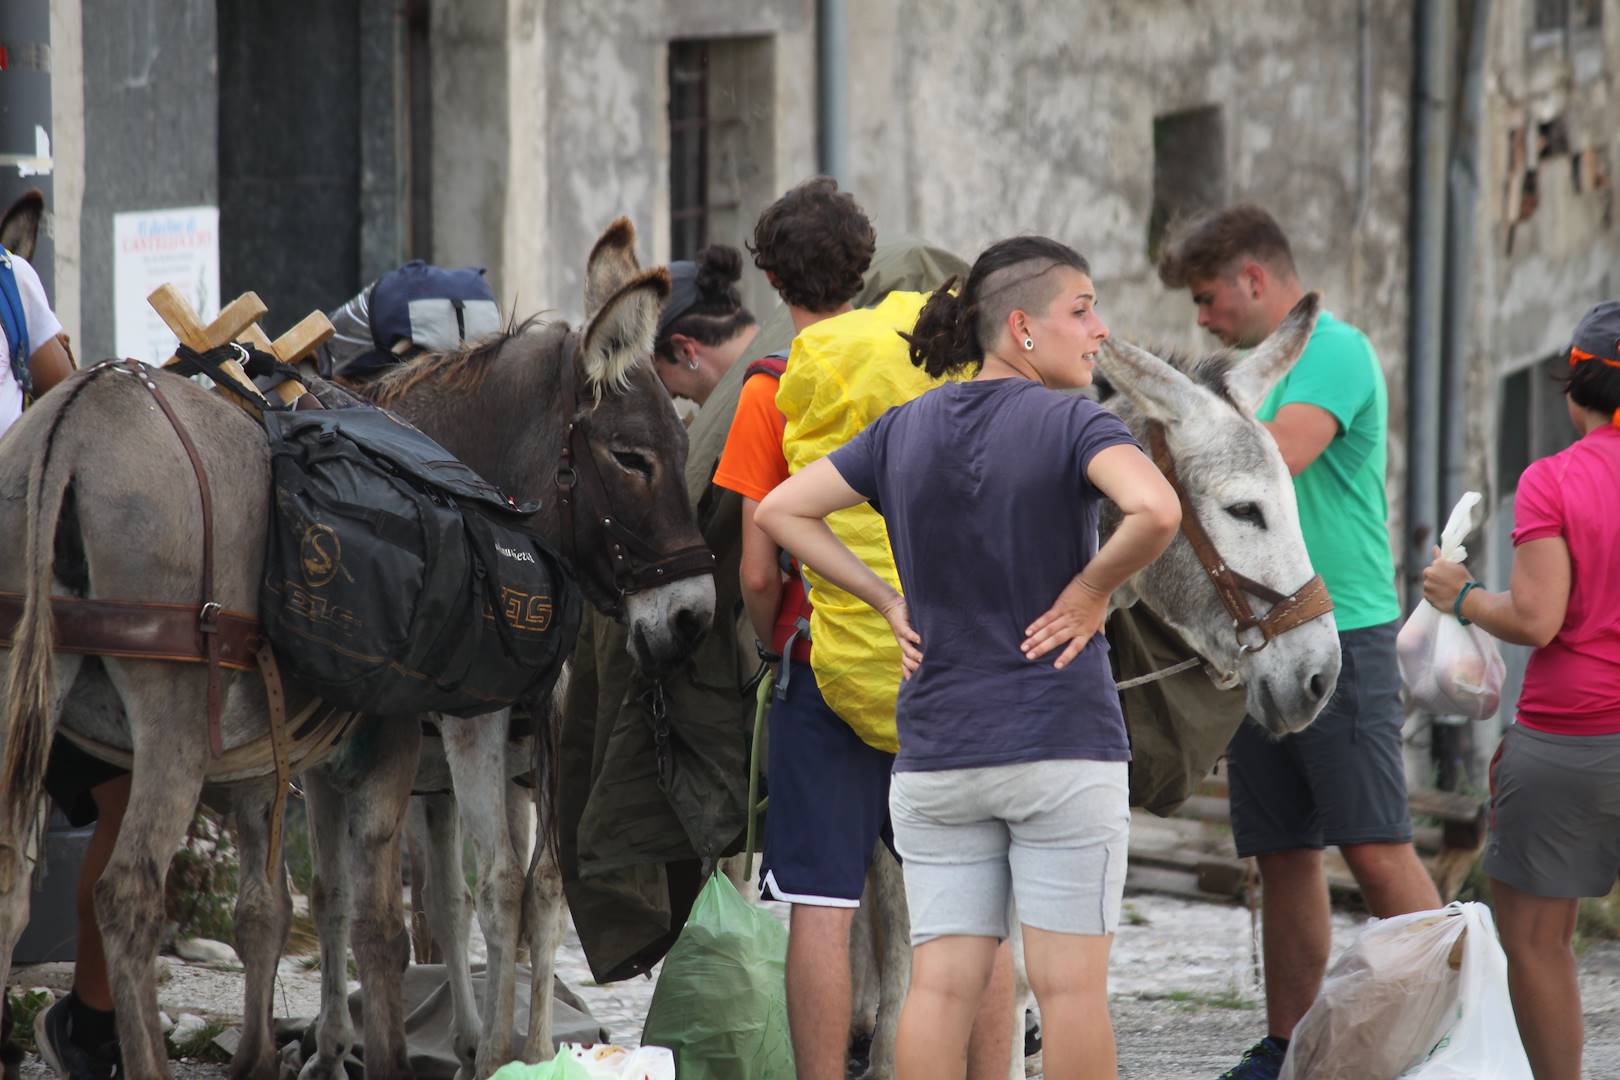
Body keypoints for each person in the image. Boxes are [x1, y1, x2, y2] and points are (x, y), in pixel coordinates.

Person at [757, 235, 1182, 1080]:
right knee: (1069, 995)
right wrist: (1093, 590)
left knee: (939, 991)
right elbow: (1156, 510)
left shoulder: (903, 429)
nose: (1100, 329)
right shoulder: (1074, 421)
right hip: (1060, 743)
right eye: (1082, 308)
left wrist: (884, 600)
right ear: (1022, 328)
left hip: (938, 757)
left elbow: (781, 511)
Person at [712, 179, 1012, 1080]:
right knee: (970, 905)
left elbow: (759, 568)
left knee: (820, 900)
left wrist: (778, 645)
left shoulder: (770, 390)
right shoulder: (936, 364)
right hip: (949, 668)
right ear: (868, 266)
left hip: (827, 668)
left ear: (770, 277)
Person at [1157, 204, 1443, 1080]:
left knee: (1377, 846)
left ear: (1254, 279)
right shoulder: (1240, 371)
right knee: (1280, 853)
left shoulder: (1336, 352)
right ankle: (1290, 1047)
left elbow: (1271, 455)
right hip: (1254, 637)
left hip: (1338, 628)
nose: (1201, 319)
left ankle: (1448, 1035)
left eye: (1208, 298)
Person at [1422, 301, 1620, 1080]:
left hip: (1569, 739)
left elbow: (1537, 618)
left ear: (1574, 390)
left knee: (1538, 940)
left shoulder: (1555, 481)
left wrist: (1461, 595)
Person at [0, 244, 119, 1080]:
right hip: (27, 579)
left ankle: (94, 1018)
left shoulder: (10, 278)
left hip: (30, 584)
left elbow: (62, 391)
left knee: (123, 792)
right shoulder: (10, 277)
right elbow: (66, 388)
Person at [649, 244, 759, 407]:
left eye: (658, 376)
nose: (668, 395)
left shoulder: (765, 396)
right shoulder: (793, 355)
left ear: (685, 350)